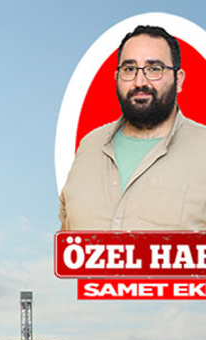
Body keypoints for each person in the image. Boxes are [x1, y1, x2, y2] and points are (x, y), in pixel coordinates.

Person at [59, 25, 206, 231]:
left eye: (154, 69)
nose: (140, 81)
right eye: (129, 69)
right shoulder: (89, 145)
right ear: (117, 78)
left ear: (178, 79)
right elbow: (66, 241)